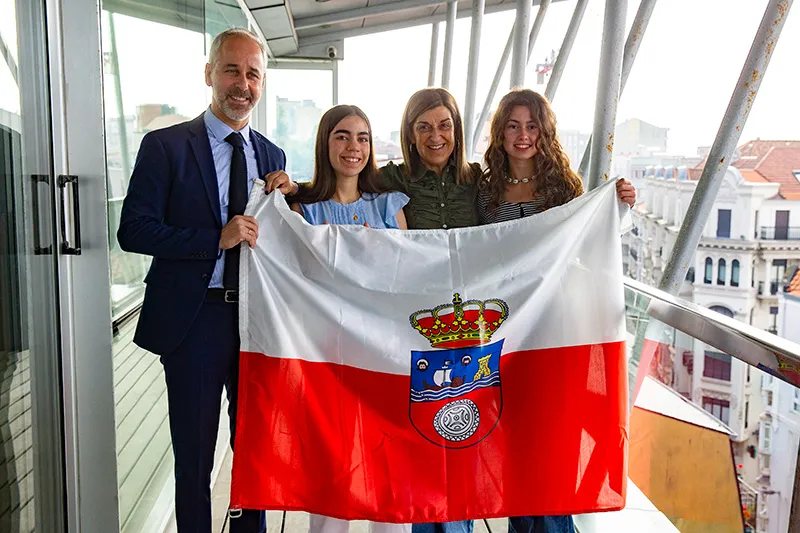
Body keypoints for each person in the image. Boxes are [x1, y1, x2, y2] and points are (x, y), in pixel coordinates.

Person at [117, 28, 297, 533]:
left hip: (256, 323)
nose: (243, 84)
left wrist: (294, 193)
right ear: (209, 75)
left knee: (255, 450)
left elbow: (279, 237)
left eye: (253, 74)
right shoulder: (166, 146)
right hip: (196, 321)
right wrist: (212, 239)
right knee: (195, 456)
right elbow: (132, 230)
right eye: (232, 70)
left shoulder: (272, 156)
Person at [478, 89, 635, 533]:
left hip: (557, 331)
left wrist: (619, 207)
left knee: (553, 444)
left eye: (532, 126)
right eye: (513, 125)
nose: (522, 135)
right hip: (505, 332)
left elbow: (593, 240)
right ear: (500, 132)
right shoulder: (485, 189)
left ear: (545, 133)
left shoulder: (566, 188)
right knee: (515, 444)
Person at [289, 105, 409, 533]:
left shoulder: (390, 205)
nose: (353, 147)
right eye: (342, 136)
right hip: (331, 356)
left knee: (390, 472)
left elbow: (411, 276)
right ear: (325, 143)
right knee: (333, 470)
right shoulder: (304, 210)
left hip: (387, 355)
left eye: (362, 137)